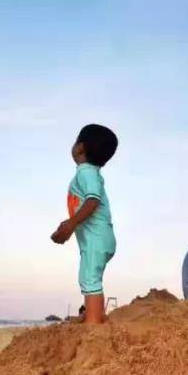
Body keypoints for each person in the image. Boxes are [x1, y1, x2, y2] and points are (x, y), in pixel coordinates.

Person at [51, 124, 118, 324]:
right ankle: (94, 315)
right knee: (92, 276)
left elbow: (93, 200)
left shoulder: (85, 172)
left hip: (97, 239)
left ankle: (93, 324)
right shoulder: (91, 173)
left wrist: (71, 224)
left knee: (89, 278)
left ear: (79, 147)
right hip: (99, 239)